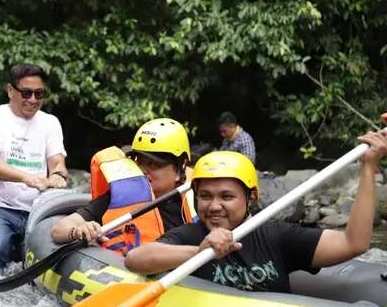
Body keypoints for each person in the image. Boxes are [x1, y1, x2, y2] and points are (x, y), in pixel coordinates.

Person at [126, 125, 387, 292]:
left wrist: (367, 167)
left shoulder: (276, 236)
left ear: (250, 197)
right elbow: (135, 259)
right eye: (205, 196)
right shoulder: (191, 236)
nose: (214, 206)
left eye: (226, 196)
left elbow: (354, 243)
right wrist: (199, 251)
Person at [0, 63, 68, 272]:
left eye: (39, 94)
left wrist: (59, 175)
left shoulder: (50, 123)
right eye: (26, 93)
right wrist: (28, 178)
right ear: (10, 90)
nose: (33, 100)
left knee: (58, 253)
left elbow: (58, 163)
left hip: (39, 210)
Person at [51, 118, 196, 253]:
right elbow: (59, 230)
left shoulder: (198, 201)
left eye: (154, 164)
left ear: (179, 169)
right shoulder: (120, 196)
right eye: (138, 162)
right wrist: (77, 231)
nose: (143, 170)